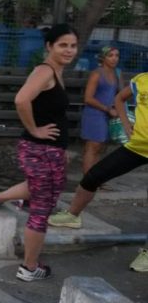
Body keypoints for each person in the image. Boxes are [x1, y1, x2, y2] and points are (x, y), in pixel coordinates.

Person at [0, 24, 78, 282]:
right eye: (63, 45)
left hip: (48, 150)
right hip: (41, 149)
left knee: (41, 188)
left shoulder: (55, 71)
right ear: (49, 46)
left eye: (73, 45)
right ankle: (29, 267)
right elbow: (21, 100)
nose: (69, 50)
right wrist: (35, 130)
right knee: (42, 208)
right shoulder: (45, 71)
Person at [49, 72, 148, 273]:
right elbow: (119, 99)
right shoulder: (141, 80)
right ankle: (72, 216)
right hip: (137, 147)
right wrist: (126, 125)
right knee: (93, 176)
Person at [79, 46, 121, 175]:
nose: (114, 58)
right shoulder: (97, 74)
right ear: (103, 57)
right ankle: (87, 182)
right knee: (92, 147)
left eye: (117, 55)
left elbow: (120, 95)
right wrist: (107, 109)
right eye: (110, 55)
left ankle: (94, 180)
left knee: (100, 148)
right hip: (94, 114)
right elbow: (88, 98)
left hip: (108, 115)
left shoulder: (117, 73)